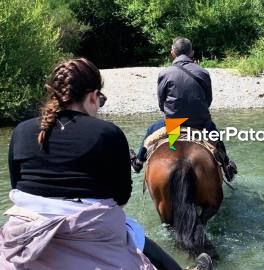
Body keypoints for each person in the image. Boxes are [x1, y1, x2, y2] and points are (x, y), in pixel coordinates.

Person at [2, 58, 213, 270]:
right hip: (92, 231)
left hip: (24, 231)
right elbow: (121, 198)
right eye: (100, 101)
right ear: (93, 96)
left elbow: (17, 188)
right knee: (142, 242)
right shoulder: (107, 132)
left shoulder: (21, 130)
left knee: (153, 132)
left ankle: (139, 159)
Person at [130, 37, 237, 182]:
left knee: (151, 131)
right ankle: (226, 167)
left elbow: (161, 103)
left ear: (173, 52)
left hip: (174, 124)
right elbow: (208, 100)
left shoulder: (165, 73)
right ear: (191, 53)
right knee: (215, 135)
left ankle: (138, 163)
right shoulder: (203, 72)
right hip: (200, 123)